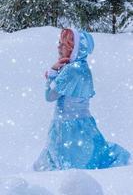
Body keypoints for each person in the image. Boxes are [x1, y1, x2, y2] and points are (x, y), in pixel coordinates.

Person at [33, 28, 131, 171]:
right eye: (59, 42)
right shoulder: (83, 67)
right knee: (92, 155)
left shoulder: (70, 70)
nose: (59, 46)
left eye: (64, 44)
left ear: (74, 49)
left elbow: (50, 96)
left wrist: (52, 73)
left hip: (68, 128)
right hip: (83, 124)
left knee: (67, 165)